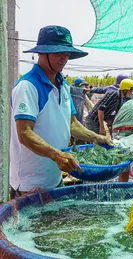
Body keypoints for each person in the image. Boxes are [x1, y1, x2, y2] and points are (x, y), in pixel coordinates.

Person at [10, 25, 113, 199]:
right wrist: (56, 155)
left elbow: (71, 123)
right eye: (59, 53)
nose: (64, 58)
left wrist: (97, 138)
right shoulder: (28, 86)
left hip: (55, 176)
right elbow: (24, 133)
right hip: (30, 182)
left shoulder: (64, 85)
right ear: (43, 53)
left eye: (67, 54)